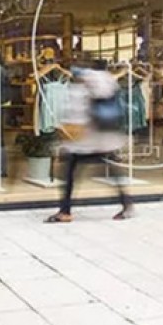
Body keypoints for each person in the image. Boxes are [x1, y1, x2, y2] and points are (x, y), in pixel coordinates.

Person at [45, 61, 133, 223]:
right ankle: (126, 204)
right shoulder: (108, 80)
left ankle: (65, 211)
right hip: (103, 137)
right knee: (110, 170)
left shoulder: (83, 83)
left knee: (69, 173)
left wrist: (66, 134)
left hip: (85, 140)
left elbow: (77, 112)